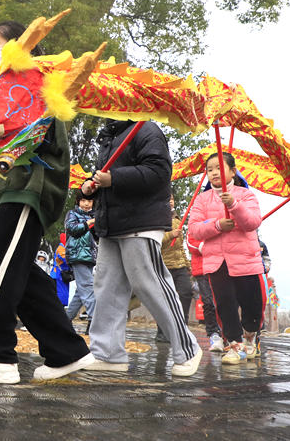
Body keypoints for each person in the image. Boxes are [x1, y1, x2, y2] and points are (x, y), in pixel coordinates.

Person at [0, 21, 93, 385]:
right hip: (13, 188)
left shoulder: (33, 84)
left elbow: (27, 135)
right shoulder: (3, 89)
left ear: (20, 47)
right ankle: (66, 351)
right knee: (19, 271)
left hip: (31, 185)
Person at [81, 120, 202, 378]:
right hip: (110, 224)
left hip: (141, 221)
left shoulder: (146, 129)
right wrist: (91, 187)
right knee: (107, 287)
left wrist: (114, 178)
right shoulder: (109, 136)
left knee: (151, 283)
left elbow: (159, 172)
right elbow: (104, 177)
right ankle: (108, 353)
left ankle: (188, 349)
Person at [188, 151, 264, 365]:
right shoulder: (202, 199)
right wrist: (217, 225)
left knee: (252, 306)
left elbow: (252, 222)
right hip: (216, 262)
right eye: (209, 169)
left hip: (245, 261)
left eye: (219, 168)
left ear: (232, 170)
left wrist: (234, 205)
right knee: (225, 304)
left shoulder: (246, 195)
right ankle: (234, 345)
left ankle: (251, 335)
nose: (213, 173)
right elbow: (194, 229)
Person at [156, 197, 193, 343]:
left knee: (186, 292)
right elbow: (156, 240)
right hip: (164, 264)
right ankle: (162, 331)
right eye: (167, 199)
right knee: (164, 298)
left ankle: (182, 327)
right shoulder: (157, 218)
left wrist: (187, 263)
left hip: (180, 265)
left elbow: (180, 246)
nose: (170, 201)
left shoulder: (178, 220)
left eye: (172, 199)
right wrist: (170, 235)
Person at [64, 192, 97, 331]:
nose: (86, 204)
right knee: (88, 289)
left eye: (89, 201)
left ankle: (64, 320)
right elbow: (72, 229)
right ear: (78, 201)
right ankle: (94, 322)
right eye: (83, 200)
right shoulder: (72, 214)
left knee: (81, 292)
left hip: (89, 256)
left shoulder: (94, 215)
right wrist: (89, 223)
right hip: (77, 254)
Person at [187, 233, 224, 351]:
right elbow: (190, 243)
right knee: (208, 302)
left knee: (223, 301)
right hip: (202, 269)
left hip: (219, 267)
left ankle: (226, 333)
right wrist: (205, 247)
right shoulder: (196, 221)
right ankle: (214, 334)